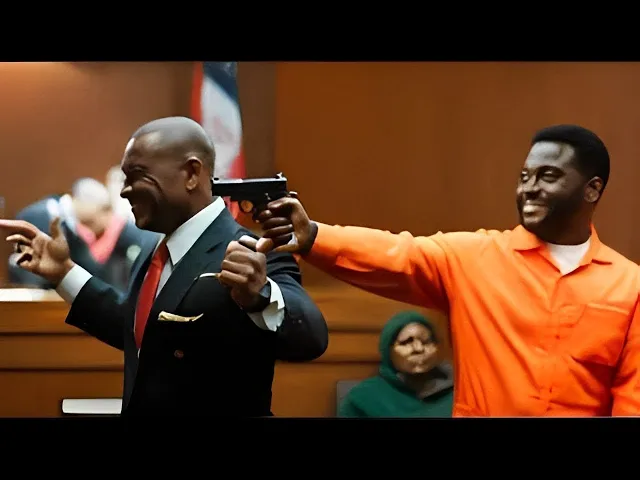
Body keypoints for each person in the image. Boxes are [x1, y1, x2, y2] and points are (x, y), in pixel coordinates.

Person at [255, 124, 640, 417]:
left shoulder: (629, 286)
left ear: (592, 189)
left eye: (548, 176)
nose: (529, 189)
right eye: (524, 177)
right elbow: (399, 254)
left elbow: (631, 400)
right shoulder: (477, 258)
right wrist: (313, 237)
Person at [0, 116, 328, 416]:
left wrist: (260, 296)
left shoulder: (253, 251)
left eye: (137, 176)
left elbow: (312, 338)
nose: (124, 191)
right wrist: (63, 272)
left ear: (191, 174)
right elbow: (143, 333)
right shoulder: (154, 250)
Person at [8, 177, 157, 292]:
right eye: (103, 210)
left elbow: (91, 270)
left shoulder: (71, 226)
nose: (104, 220)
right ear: (87, 204)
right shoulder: (43, 216)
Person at [338, 310, 453, 418]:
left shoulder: (457, 393)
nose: (418, 348)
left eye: (426, 341)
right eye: (406, 342)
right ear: (388, 351)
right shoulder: (363, 398)